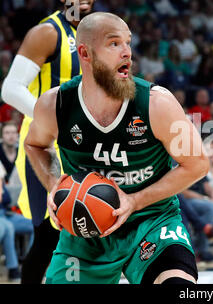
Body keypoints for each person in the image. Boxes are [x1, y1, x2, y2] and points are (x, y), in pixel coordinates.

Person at [23, 12, 209, 284]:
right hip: (84, 233)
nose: (127, 53)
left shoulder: (157, 104)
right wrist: (54, 184)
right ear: (85, 53)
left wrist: (134, 201)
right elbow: (34, 144)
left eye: (128, 43)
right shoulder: (55, 105)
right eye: (114, 44)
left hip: (150, 221)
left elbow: (198, 164)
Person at [1, 0, 96, 284]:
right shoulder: (47, 32)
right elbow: (11, 89)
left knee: (91, 224)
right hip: (45, 143)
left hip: (86, 141)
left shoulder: (96, 32)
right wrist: (53, 120)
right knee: (49, 232)